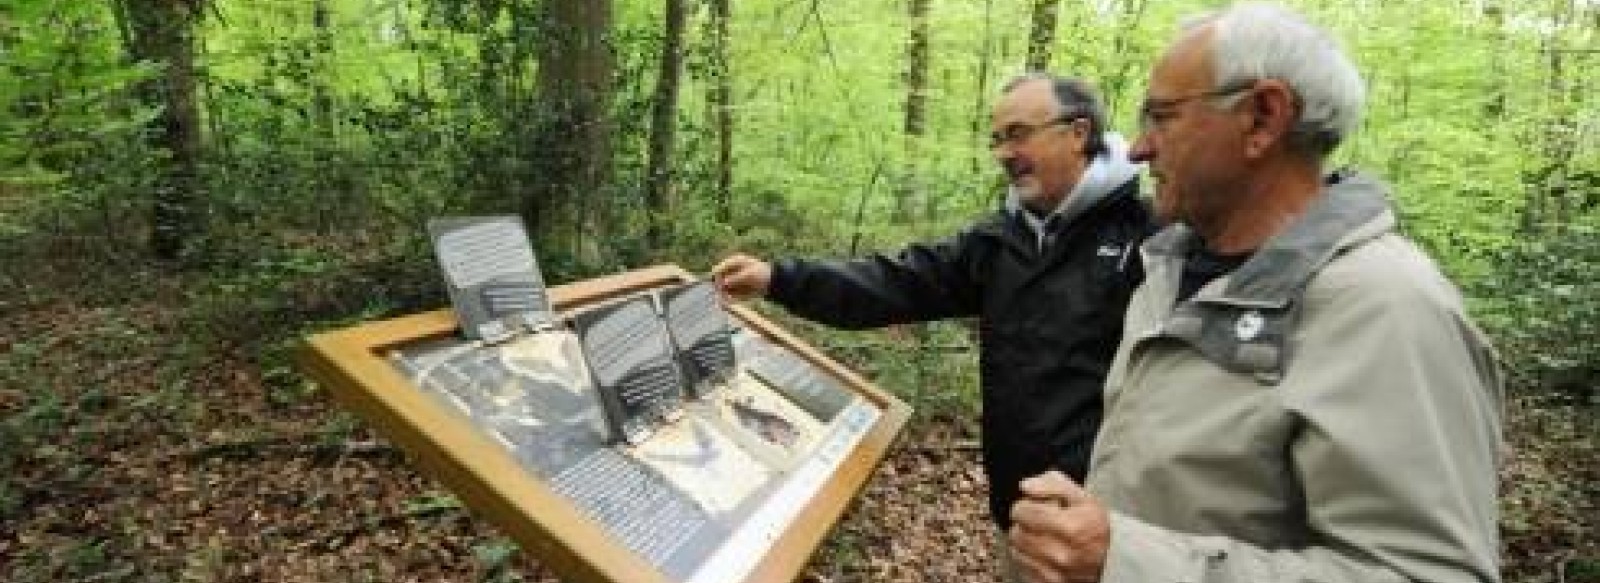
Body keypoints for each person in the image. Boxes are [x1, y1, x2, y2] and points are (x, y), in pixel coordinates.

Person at [1006, 4, 1504, 583]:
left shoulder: (1390, 311)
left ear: (1263, 118)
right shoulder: (1169, 273)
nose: (1138, 150)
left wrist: (1125, 560)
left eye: (1161, 118)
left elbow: (1429, 574)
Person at [712, 75, 1156, 535]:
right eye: (998, 139)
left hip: (1109, 530)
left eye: (1019, 133)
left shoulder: (1150, 242)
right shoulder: (1000, 241)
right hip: (1019, 517)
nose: (1004, 153)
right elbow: (895, 282)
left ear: (1078, 133)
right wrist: (777, 279)